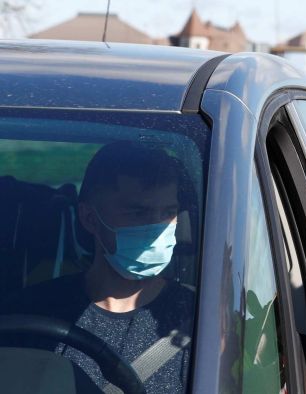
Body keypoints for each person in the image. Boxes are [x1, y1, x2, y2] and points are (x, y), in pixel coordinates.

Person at [1, 141, 195, 393]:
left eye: (168, 212)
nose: (157, 229)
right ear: (90, 218)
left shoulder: (197, 319)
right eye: (138, 213)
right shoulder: (26, 314)